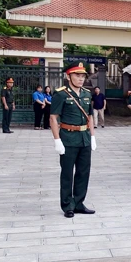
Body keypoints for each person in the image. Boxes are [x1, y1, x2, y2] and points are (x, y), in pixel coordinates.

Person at [50, 62, 97, 218]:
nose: (81, 79)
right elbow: (53, 117)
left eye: (83, 76)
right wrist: (57, 140)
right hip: (68, 138)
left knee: (83, 172)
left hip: (84, 138)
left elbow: (89, 117)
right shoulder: (61, 94)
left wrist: (93, 136)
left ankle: (78, 203)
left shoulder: (87, 94)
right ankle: (67, 205)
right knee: (67, 173)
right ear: (68, 76)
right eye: (77, 75)